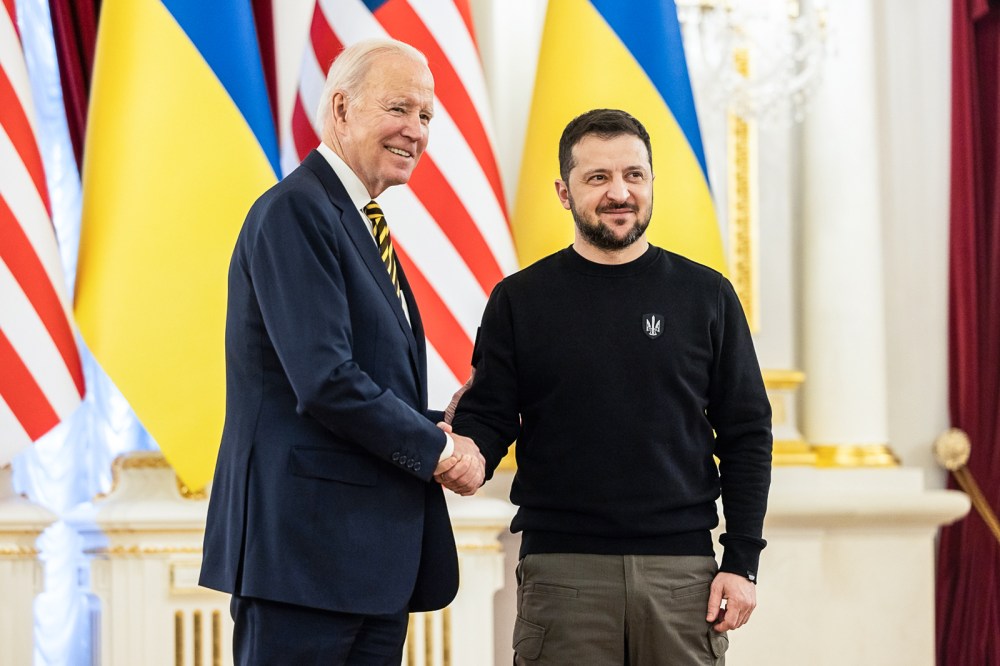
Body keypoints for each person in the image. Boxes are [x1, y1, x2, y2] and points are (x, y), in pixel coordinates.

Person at [449, 108, 772, 665]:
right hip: (562, 575)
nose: (619, 192)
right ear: (564, 190)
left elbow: (747, 434)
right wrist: (457, 451)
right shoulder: (519, 301)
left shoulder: (708, 297)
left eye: (634, 175)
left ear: (650, 182)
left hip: (684, 579)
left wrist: (741, 562)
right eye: (598, 177)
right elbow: (489, 420)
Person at [199, 38, 484, 665]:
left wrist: (444, 419)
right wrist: (440, 451)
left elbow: (370, 376)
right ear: (341, 108)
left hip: (365, 562)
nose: (417, 131)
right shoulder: (296, 212)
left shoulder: (357, 219)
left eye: (427, 116)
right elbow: (326, 381)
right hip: (304, 558)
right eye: (400, 109)